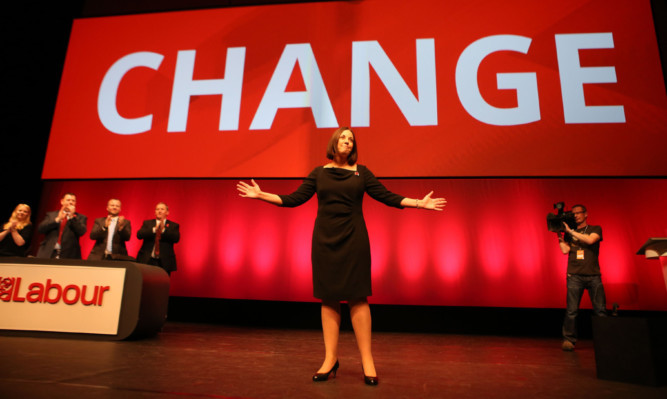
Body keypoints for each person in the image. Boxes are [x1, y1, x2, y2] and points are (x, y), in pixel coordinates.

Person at [237, 127, 447, 385]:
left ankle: (367, 360)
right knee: (329, 298)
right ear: (334, 144)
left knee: (358, 297)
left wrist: (418, 203)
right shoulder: (318, 173)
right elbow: (293, 199)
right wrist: (261, 195)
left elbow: (386, 196)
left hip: (354, 239)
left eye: (351, 139)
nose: (347, 142)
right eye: (343, 138)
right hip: (325, 241)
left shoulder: (362, 172)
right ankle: (330, 359)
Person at [556, 204, 606, 351]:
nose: (576, 216)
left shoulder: (595, 229)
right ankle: (569, 340)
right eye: (574, 214)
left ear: (586, 214)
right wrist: (559, 234)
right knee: (571, 310)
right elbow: (565, 250)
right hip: (574, 276)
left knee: (600, 310)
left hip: (593, 276)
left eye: (579, 213)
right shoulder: (569, 233)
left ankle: (605, 339)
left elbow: (590, 241)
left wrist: (570, 231)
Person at [36, 193, 87, 259]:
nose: (71, 202)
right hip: (49, 252)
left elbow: (81, 231)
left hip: (69, 255)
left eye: (73, 200)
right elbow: (41, 229)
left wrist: (71, 217)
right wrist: (58, 219)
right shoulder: (51, 215)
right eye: (68, 200)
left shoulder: (80, 217)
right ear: (62, 201)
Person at [136, 202, 180, 275]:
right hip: (147, 259)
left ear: (167, 212)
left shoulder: (173, 225)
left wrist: (163, 230)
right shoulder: (147, 223)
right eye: (157, 209)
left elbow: (176, 238)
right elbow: (139, 235)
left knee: (162, 284)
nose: (159, 211)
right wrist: (154, 229)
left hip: (164, 262)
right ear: (155, 212)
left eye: (162, 209)